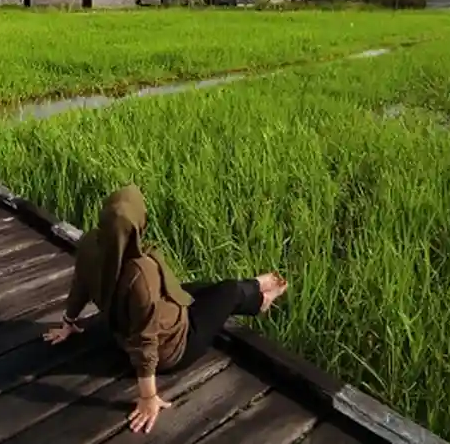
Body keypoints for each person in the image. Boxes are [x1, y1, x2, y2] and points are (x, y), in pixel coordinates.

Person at [42, 184, 288, 434]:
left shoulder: (90, 244)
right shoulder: (141, 273)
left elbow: (80, 285)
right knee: (227, 291)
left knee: (196, 289)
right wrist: (148, 397)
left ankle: (255, 288)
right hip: (175, 347)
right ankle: (259, 298)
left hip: (130, 327)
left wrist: (68, 322)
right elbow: (145, 338)